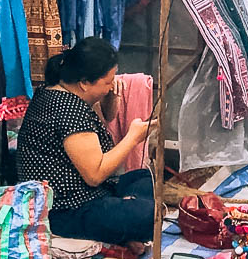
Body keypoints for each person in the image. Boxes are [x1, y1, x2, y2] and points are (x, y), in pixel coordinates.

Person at [16, 37, 154, 245]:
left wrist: (111, 96)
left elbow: (108, 116)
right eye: (107, 82)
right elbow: (95, 175)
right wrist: (132, 138)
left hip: (83, 193)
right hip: (64, 210)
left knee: (146, 179)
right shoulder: (69, 110)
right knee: (148, 215)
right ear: (84, 83)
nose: (110, 87)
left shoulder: (55, 90)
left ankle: (121, 214)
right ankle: (119, 221)